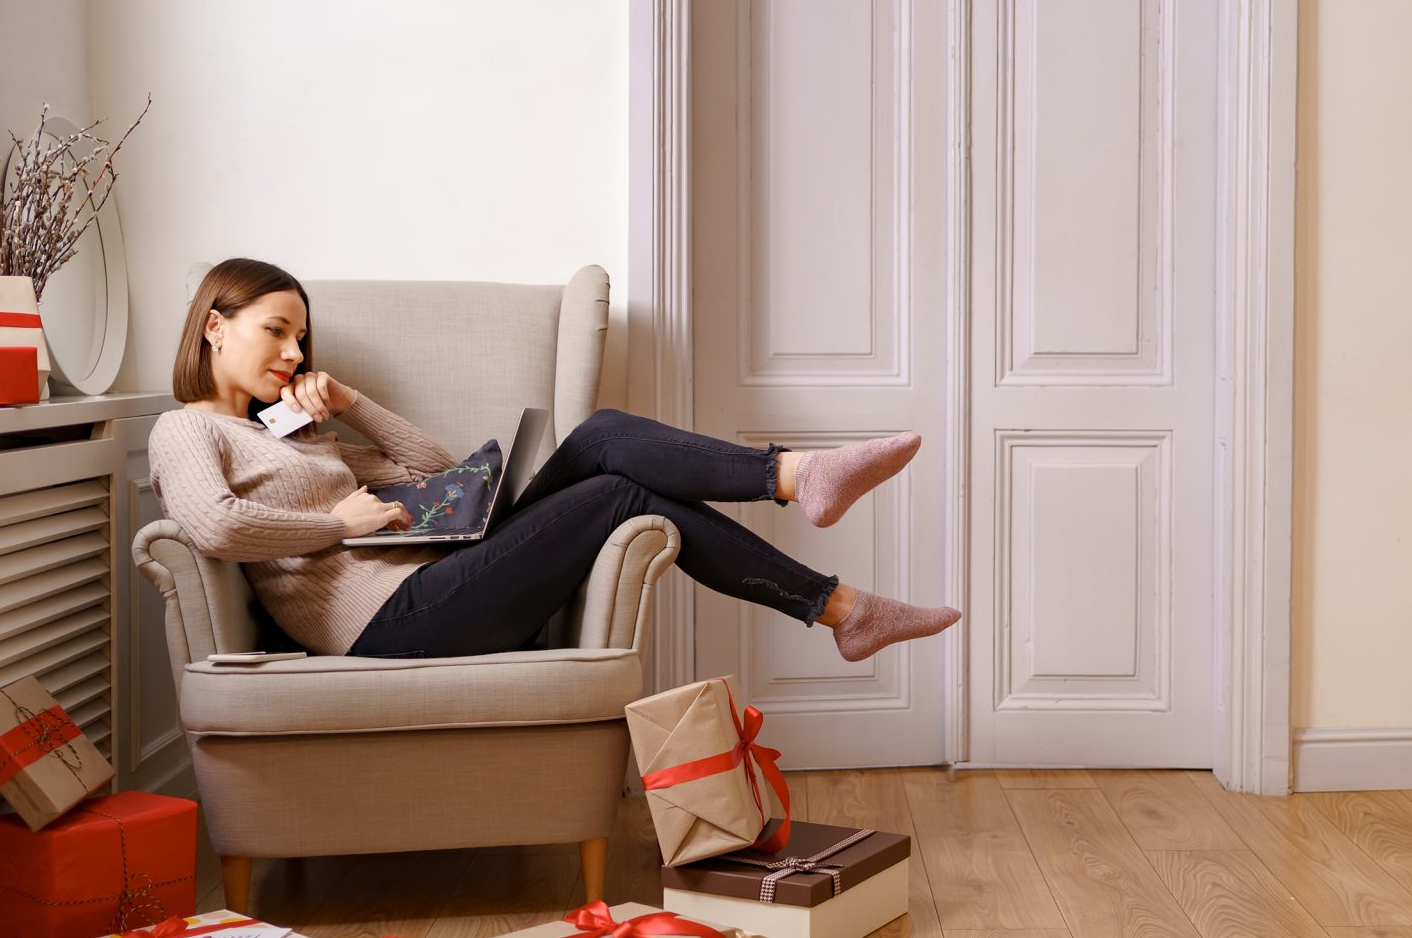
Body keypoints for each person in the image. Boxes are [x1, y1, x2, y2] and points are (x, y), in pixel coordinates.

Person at [147, 258, 961, 664]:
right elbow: (214, 525)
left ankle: (826, 565)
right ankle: (822, 560)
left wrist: (350, 402)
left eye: (300, 336)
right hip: (386, 625)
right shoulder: (187, 431)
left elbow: (439, 466)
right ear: (215, 327)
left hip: (435, 583)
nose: (293, 351)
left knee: (604, 435)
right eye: (275, 331)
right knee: (614, 493)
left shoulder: (293, 433)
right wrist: (334, 522)